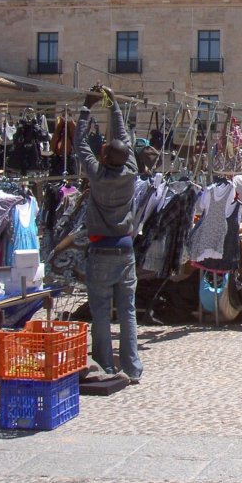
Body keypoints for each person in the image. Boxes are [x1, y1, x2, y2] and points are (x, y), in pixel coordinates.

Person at [76, 85, 142, 383]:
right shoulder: (130, 171)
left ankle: (106, 363)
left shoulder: (98, 175)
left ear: (104, 157)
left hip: (101, 250)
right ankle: (133, 366)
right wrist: (113, 104)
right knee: (127, 311)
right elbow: (123, 139)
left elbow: (80, 145)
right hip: (125, 249)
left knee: (101, 311)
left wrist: (86, 108)